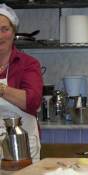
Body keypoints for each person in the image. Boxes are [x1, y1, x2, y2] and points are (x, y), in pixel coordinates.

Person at [0, 4, 43, 162]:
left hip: (22, 145)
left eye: (5, 29)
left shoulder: (28, 64)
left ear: (13, 32)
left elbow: (32, 101)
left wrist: (1, 89)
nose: (0, 36)